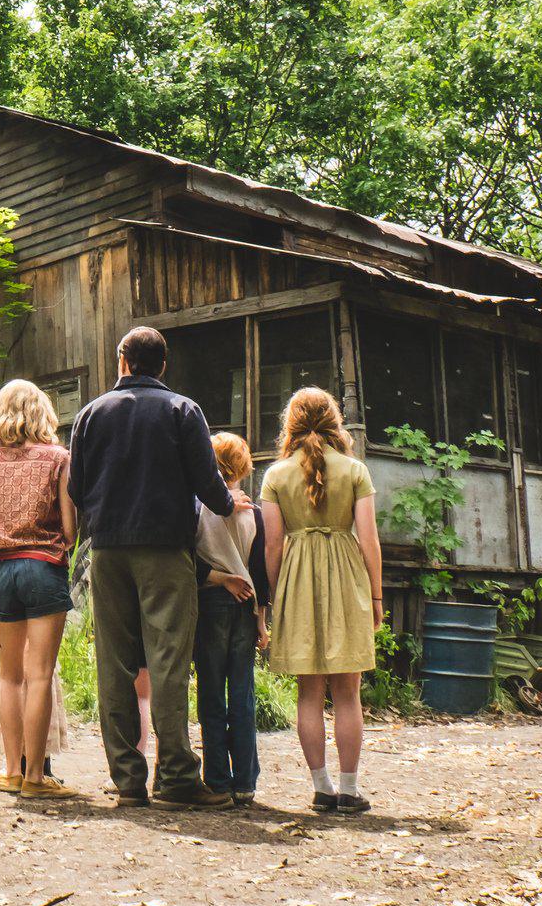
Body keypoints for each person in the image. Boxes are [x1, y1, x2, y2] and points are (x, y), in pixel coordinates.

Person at [68, 326, 235, 810]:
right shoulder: (183, 410)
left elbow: (76, 487)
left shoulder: (90, 414)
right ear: (163, 365)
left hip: (107, 550)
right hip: (165, 549)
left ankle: (128, 781)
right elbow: (207, 481)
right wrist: (229, 505)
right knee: (168, 662)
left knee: (114, 663)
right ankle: (177, 779)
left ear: (122, 361)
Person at [260, 388, 384, 815]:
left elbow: (272, 546)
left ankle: (321, 788)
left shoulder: (276, 475)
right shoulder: (355, 470)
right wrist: (376, 594)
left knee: (308, 692)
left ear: (290, 423)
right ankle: (349, 789)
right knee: (348, 692)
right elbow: (369, 541)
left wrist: (273, 597)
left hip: (297, 579)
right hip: (347, 578)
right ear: (334, 421)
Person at [0, 379, 80, 801]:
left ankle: (11, 772)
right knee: (40, 675)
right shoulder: (59, 458)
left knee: (10, 677)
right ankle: (35, 778)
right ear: (41, 413)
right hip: (44, 569)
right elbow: (70, 529)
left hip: (2, 572)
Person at [195, 432, 271, 805]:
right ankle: (245, 781)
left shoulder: (199, 510)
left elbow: (189, 561)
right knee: (242, 692)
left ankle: (216, 779)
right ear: (242, 467)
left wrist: (219, 579)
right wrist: (262, 621)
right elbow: (260, 571)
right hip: (245, 606)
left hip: (209, 601)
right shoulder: (254, 513)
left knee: (210, 692)